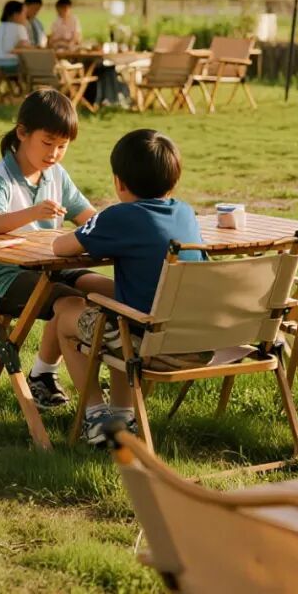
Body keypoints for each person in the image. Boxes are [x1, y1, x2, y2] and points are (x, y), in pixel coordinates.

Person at [51, 129, 204, 445]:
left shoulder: (118, 216)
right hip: (198, 342)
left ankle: (96, 419)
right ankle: (125, 415)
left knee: (65, 311)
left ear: (119, 182)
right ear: (173, 181)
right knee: (119, 311)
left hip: (150, 347)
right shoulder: (186, 212)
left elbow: (60, 248)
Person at [0, 91, 114, 408]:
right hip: (8, 275)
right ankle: (54, 379)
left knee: (110, 291)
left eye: (62, 146)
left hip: (52, 265)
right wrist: (33, 213)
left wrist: (120, 225)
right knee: (70, 301)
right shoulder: (0, 176)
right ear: (23, 133)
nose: (54, 153)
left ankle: (48, 374)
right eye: (47, 143)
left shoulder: (56, 175)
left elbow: (87, 215)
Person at [0, 0, 30, 71]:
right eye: (24, 14)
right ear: (16, 15)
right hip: (11, 64)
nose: (26, 17)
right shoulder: (20, 28)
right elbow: (26, 46)